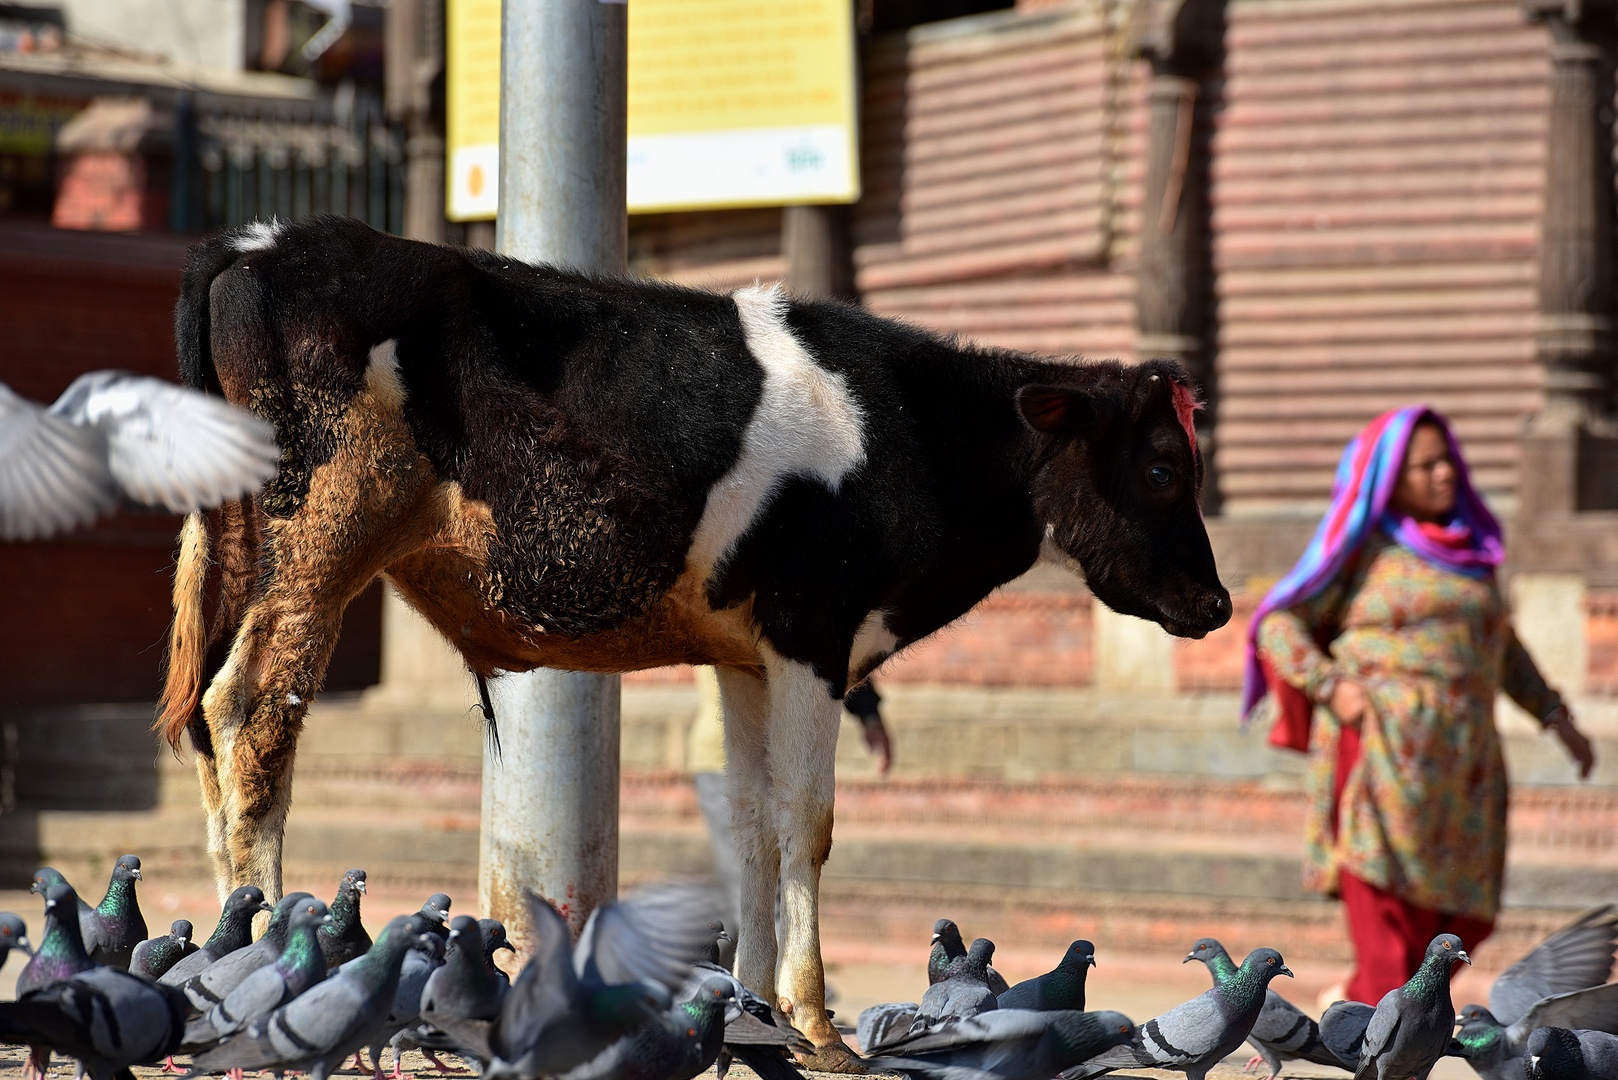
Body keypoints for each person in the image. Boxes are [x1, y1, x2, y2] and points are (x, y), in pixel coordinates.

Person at [1242, 406, 1595, 1006]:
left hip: (1464, 766)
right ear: (1388, 477)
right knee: (1386, 917)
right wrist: (1332, 686)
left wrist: (1557, 718)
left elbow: (1502, 650)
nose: (1443, 474)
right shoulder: (1362, 552)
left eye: (1447, 461)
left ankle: (1359, 1003)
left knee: (1466, 920)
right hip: (1383, 757)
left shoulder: (1474, 556)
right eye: (1424, 465)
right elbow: (1278, 625)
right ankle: (1381, 1024)